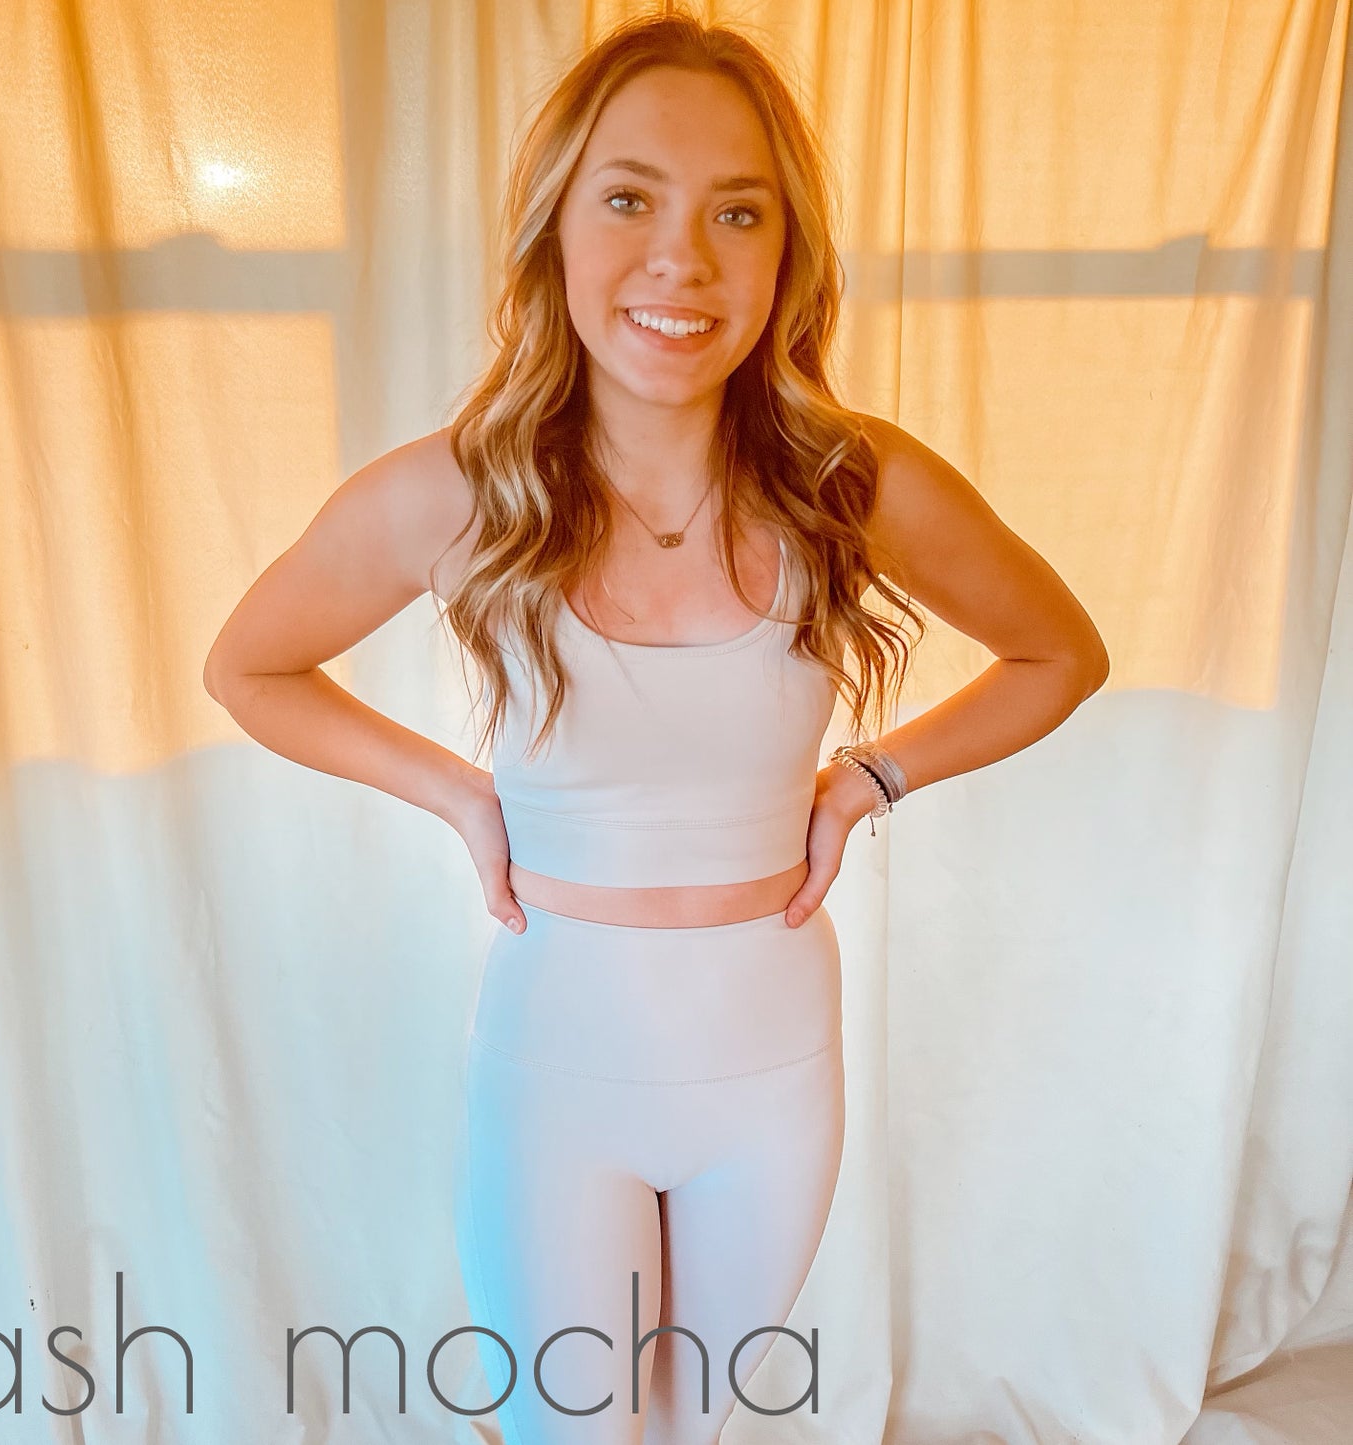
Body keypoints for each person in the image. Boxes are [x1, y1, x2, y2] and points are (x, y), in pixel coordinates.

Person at [204, 11, 1109, 1443]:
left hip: (772, 1068)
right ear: (555, 227)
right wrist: (460, 794)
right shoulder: (458, 492)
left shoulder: (850, 484)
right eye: (629, 199)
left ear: (785, 255)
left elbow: (1059, 653)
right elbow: (250, 666)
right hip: (558, 1070)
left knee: (697, 1429)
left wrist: (867, 778)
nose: (681, 260)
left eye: (735, 213)